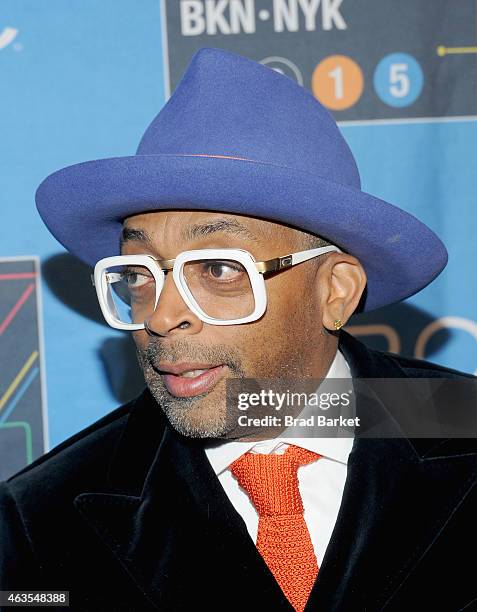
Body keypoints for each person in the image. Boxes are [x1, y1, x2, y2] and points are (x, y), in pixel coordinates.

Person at [1, 47, 476, 612]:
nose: (159, 316)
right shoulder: (44, 517)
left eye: (220, 269)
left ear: (336, 291)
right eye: (138, 274)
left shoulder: (462, 423)